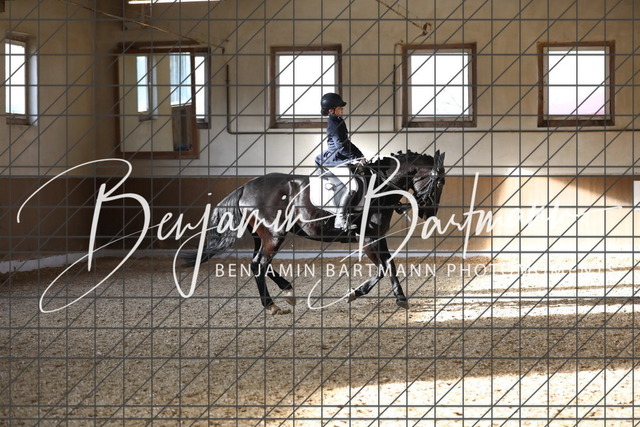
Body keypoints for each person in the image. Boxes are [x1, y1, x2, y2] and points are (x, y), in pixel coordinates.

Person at [315, 93, 364, 231]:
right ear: (331, 110)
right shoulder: (333, 123)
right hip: (334, 159)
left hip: (340, 156)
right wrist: (353, 158)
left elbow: (347, 142)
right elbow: (339, 146)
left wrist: (359, 155)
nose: (342, 109)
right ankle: (340, 219)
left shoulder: (338, 120)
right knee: (353, 186)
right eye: (339, 107)